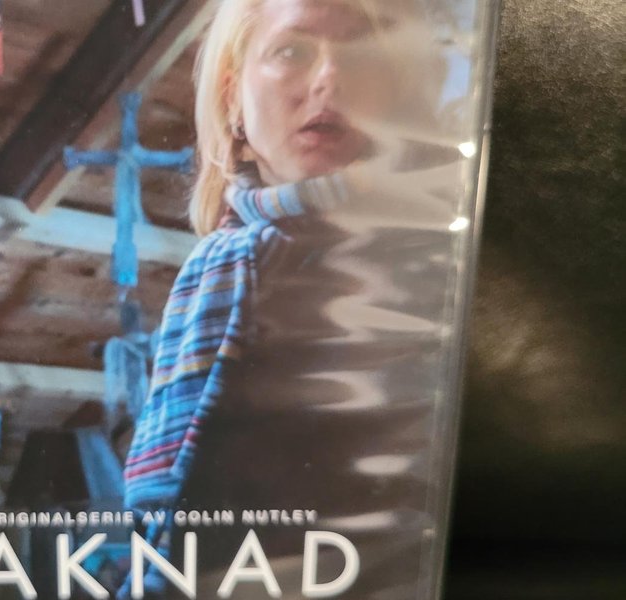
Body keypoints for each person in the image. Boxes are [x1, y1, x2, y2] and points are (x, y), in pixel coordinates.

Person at [120, 1, 460, 597]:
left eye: (360, 52)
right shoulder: (213, 274)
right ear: (233, 99)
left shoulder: (448, 259)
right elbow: (166, 532)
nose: (329, 77)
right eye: (291, 51)